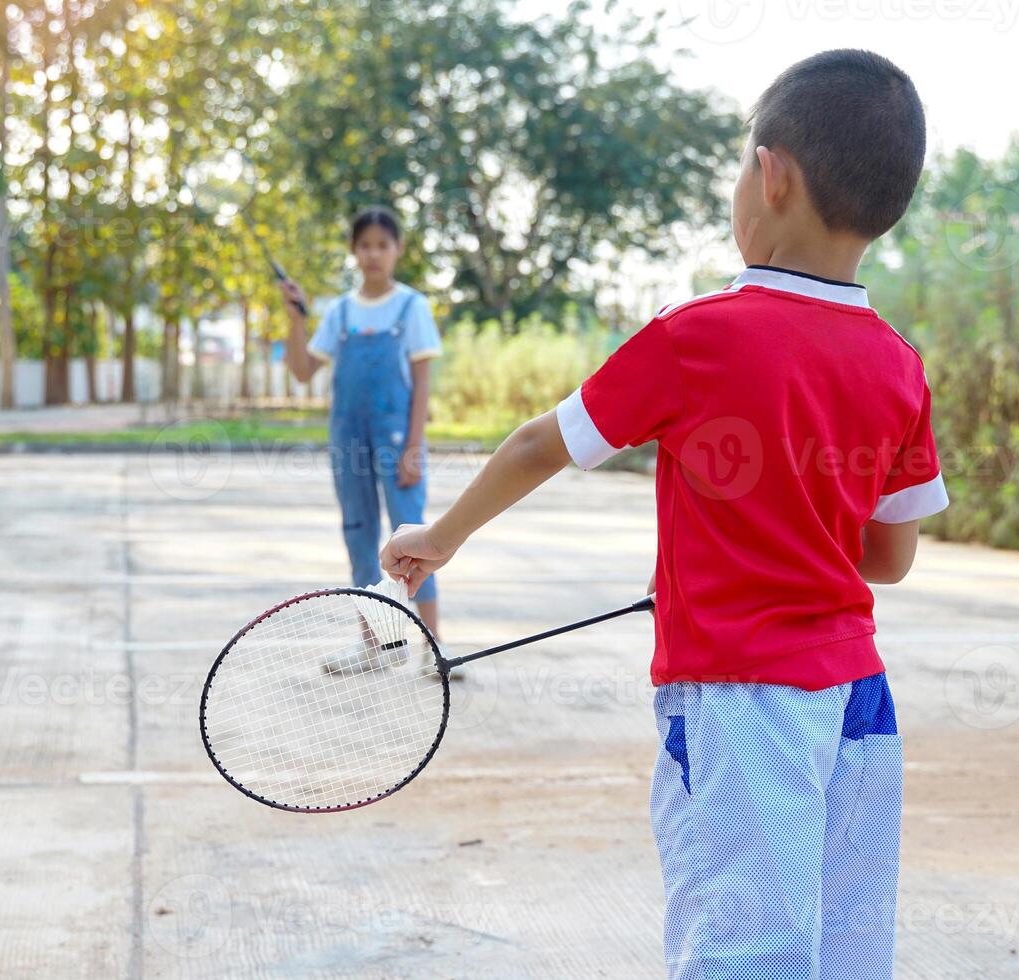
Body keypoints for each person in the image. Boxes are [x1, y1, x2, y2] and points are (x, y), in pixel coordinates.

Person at [380, 50, 946, 978]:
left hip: (740, 705)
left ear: (771, 175)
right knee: (845, 956)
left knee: (744, 955)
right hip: (860, 708)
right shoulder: (898, 364)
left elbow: (539, 445)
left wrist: (438, 538)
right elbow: (888, 558)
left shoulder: (697, 336)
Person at [281, 206, 445, 648]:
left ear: (397, 250)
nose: (373, 254)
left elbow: (422, 384)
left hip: (398, 441)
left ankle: (434, 644)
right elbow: (301, 370)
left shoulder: (412, 306)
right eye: (365, 245)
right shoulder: (339, 312)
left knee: (415, 536)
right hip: (347, 439)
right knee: (358, 530)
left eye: (383, 245)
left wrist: (414, 446)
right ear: (353, 251)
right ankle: (372, 642)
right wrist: (296, 317)